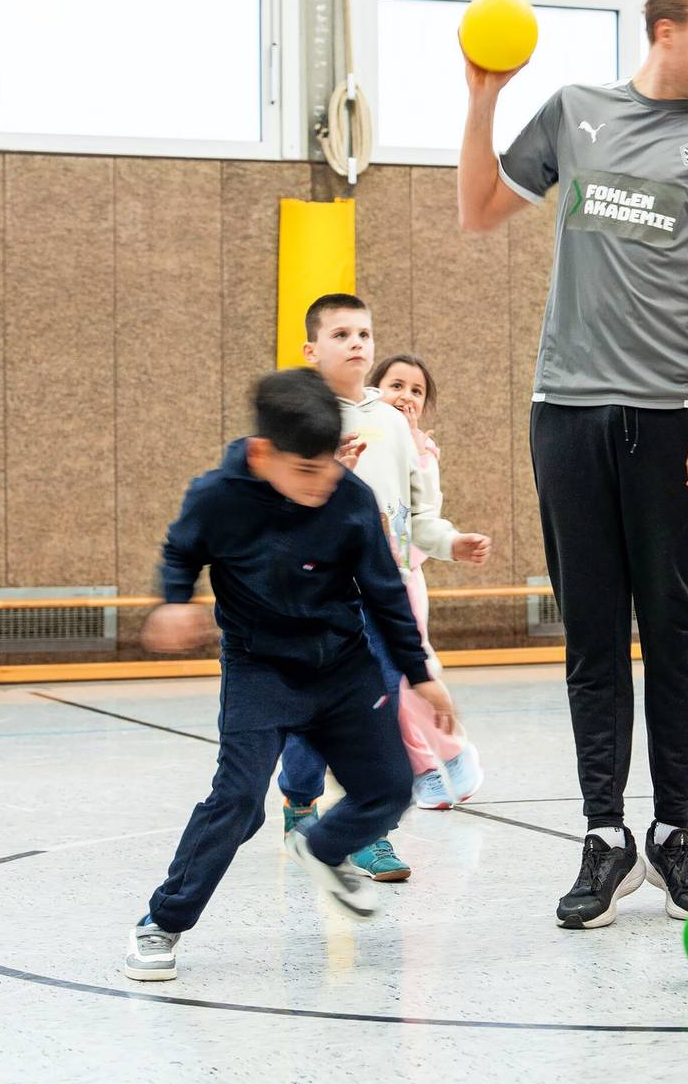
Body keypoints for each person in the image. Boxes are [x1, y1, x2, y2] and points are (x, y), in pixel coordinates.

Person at [455, 0, 688, 929]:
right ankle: (604, 836)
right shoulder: (576, 112)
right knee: (592, 634)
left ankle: (673, 834)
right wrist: (483, 97)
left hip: (677, 419)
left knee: (676, 636)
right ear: (665, 30)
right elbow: (479, 209)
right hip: (569, 412)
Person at [124, 369, 459, 983]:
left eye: (329, 466)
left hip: (344, 667)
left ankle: (321, 848)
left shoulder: (348, 498)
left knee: (390, 788)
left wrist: (419, 672)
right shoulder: (217, 496)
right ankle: (161, 923)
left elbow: (384, 591)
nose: (322, 483)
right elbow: (181, 550)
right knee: (237, 801)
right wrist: (173, 599)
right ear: (262, 455)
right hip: (261, 670)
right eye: (306, 470)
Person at [275, 295, 491, 883]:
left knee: (375, 716)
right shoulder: (300, 419)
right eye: (341, 334)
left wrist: (451, 542)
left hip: (381, 596)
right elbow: (276, 513)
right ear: (311, 349)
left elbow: (418, 517)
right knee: (313, 718)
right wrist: (325, 475)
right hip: (319, 600)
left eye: (363, 333)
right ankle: (300, 802)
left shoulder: (393, 424)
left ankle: (369, 833)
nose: (355, 343)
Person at [369, 352, 485, 809]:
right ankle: (422, 769)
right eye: (396, 386)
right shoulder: (357, 437)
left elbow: (424, 519)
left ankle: (454, 754)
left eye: (416, 391)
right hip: (352, 583)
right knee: (379, 686)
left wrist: (452, 542)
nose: (406, 397)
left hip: (400, 580)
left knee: (408, 673)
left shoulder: (421, 452)